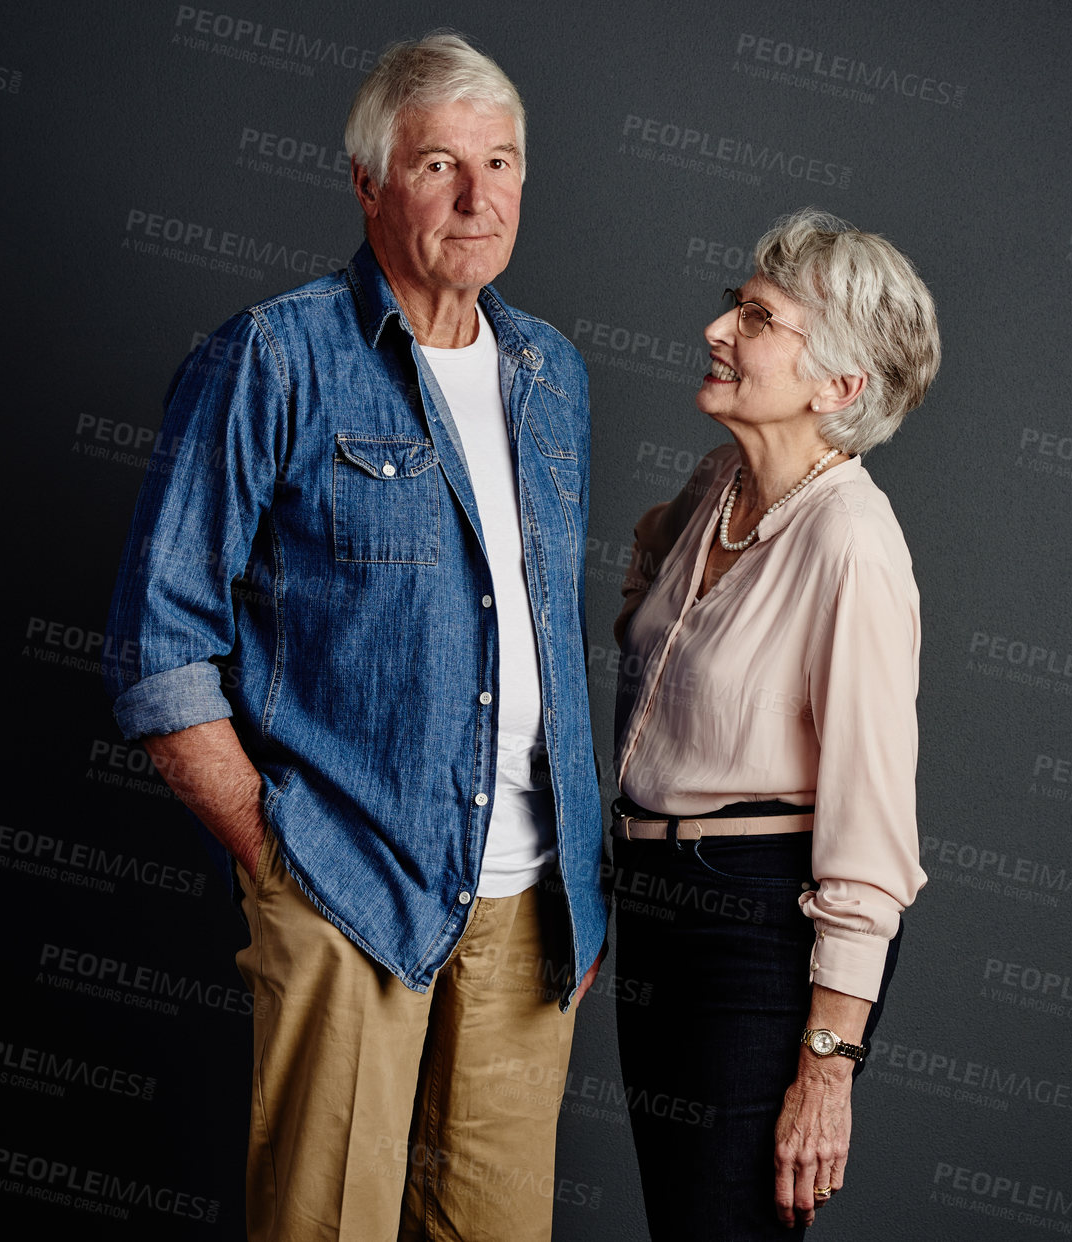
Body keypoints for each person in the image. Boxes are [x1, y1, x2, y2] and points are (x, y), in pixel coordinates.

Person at [103, 33, 605, 1242]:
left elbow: (546, 637)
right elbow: (158, 648)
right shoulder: (272, 357)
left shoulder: (555, 375)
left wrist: (583, 874)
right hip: (348, 886)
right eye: (440, 164)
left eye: (502, 161)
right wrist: (282, 862)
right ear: (369, 183)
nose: (478, 197)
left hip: (534, 907)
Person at [611, 207, 939, 1238]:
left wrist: (827, 1069)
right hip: (655, 901)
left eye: (756, 318)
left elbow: (874, 839)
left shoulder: (853, 541)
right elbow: (656, 642)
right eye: (734, 306)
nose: (720, 331)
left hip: (753, 930)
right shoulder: (720, 485)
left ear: (839, 387)